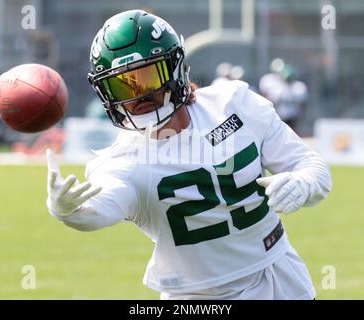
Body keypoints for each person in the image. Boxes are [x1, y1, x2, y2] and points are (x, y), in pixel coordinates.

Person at [46, 10, 332, 300]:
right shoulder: (123, 161)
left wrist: (303, 183)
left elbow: (312, 165)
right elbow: (99, 209)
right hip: (198, 297)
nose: (138, 97)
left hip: (278, 276)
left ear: (175, 68)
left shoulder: (235, 104)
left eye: (146, 78)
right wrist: (68, 211)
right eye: (122, 84)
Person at [259, 61, 308, 133]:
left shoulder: (298, 87)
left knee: (292, 134)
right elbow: (269, 101)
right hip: (279, 115)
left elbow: (303, 105)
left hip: (293, 116)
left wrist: (300, 115)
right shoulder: (277, 88)